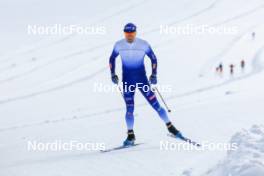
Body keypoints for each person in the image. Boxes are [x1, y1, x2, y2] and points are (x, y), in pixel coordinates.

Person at [109, 23, 181, 146]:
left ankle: (171, 128)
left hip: (142, 81)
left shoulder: (143, 44)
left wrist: (154, 75)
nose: (129, 36)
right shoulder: (119, 45)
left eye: (131, 33)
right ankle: (130, 136)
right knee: (129, 109)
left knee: (156, 105)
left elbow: (153, 58)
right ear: (124, 33)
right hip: (127, 82)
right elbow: (112, 59)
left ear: (135, 33)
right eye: (127, 34)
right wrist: (112, 74)